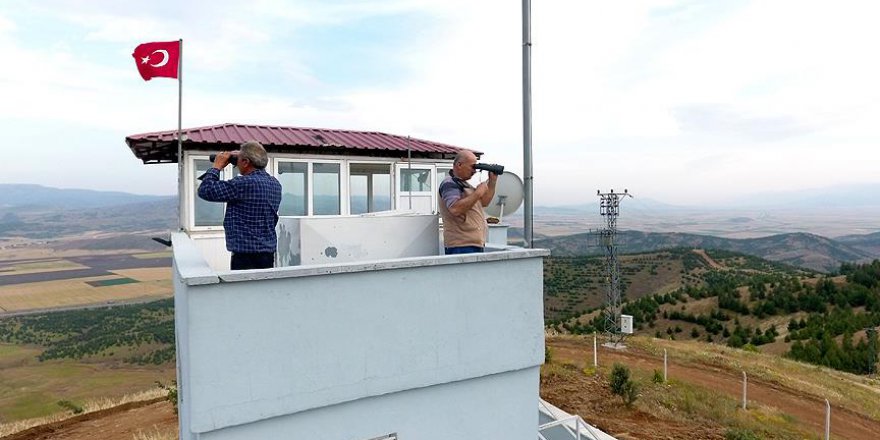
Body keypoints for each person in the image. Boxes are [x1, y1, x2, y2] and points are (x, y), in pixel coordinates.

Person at [198, 141, 282, 270]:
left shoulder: (243, 183)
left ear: (246, 162)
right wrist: (242, 156)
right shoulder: (275, 184)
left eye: (239, 160)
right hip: (267, 254)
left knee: (244, 290)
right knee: (264, 289)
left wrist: (216, 167)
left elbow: (205, 190)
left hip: (245, 257)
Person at [438, 150, 497, 254]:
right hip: (461, 245)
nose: (474, 171)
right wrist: (478, 193)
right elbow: (455, 209)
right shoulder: (449, 184)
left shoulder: (464, 185)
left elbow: (484, 203)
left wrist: (492, 182)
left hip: (473, 244)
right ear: (459, 165)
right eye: (472, 167)